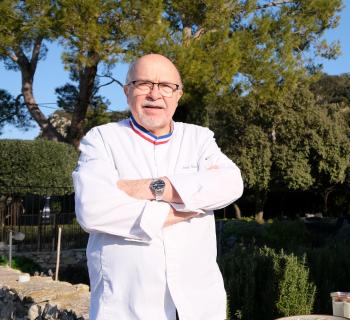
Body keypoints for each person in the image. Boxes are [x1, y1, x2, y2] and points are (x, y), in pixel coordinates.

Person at [73, 54, 243, 320]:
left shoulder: (199, 138)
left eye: (166, 86)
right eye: (143, 84)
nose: (155, 94)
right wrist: (183, 208)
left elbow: (231, 183)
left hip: (198, 305)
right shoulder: (102, 139)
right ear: (127, 91)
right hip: (125, 307)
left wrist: (155, 188)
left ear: (178, 95)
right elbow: (92, 209)